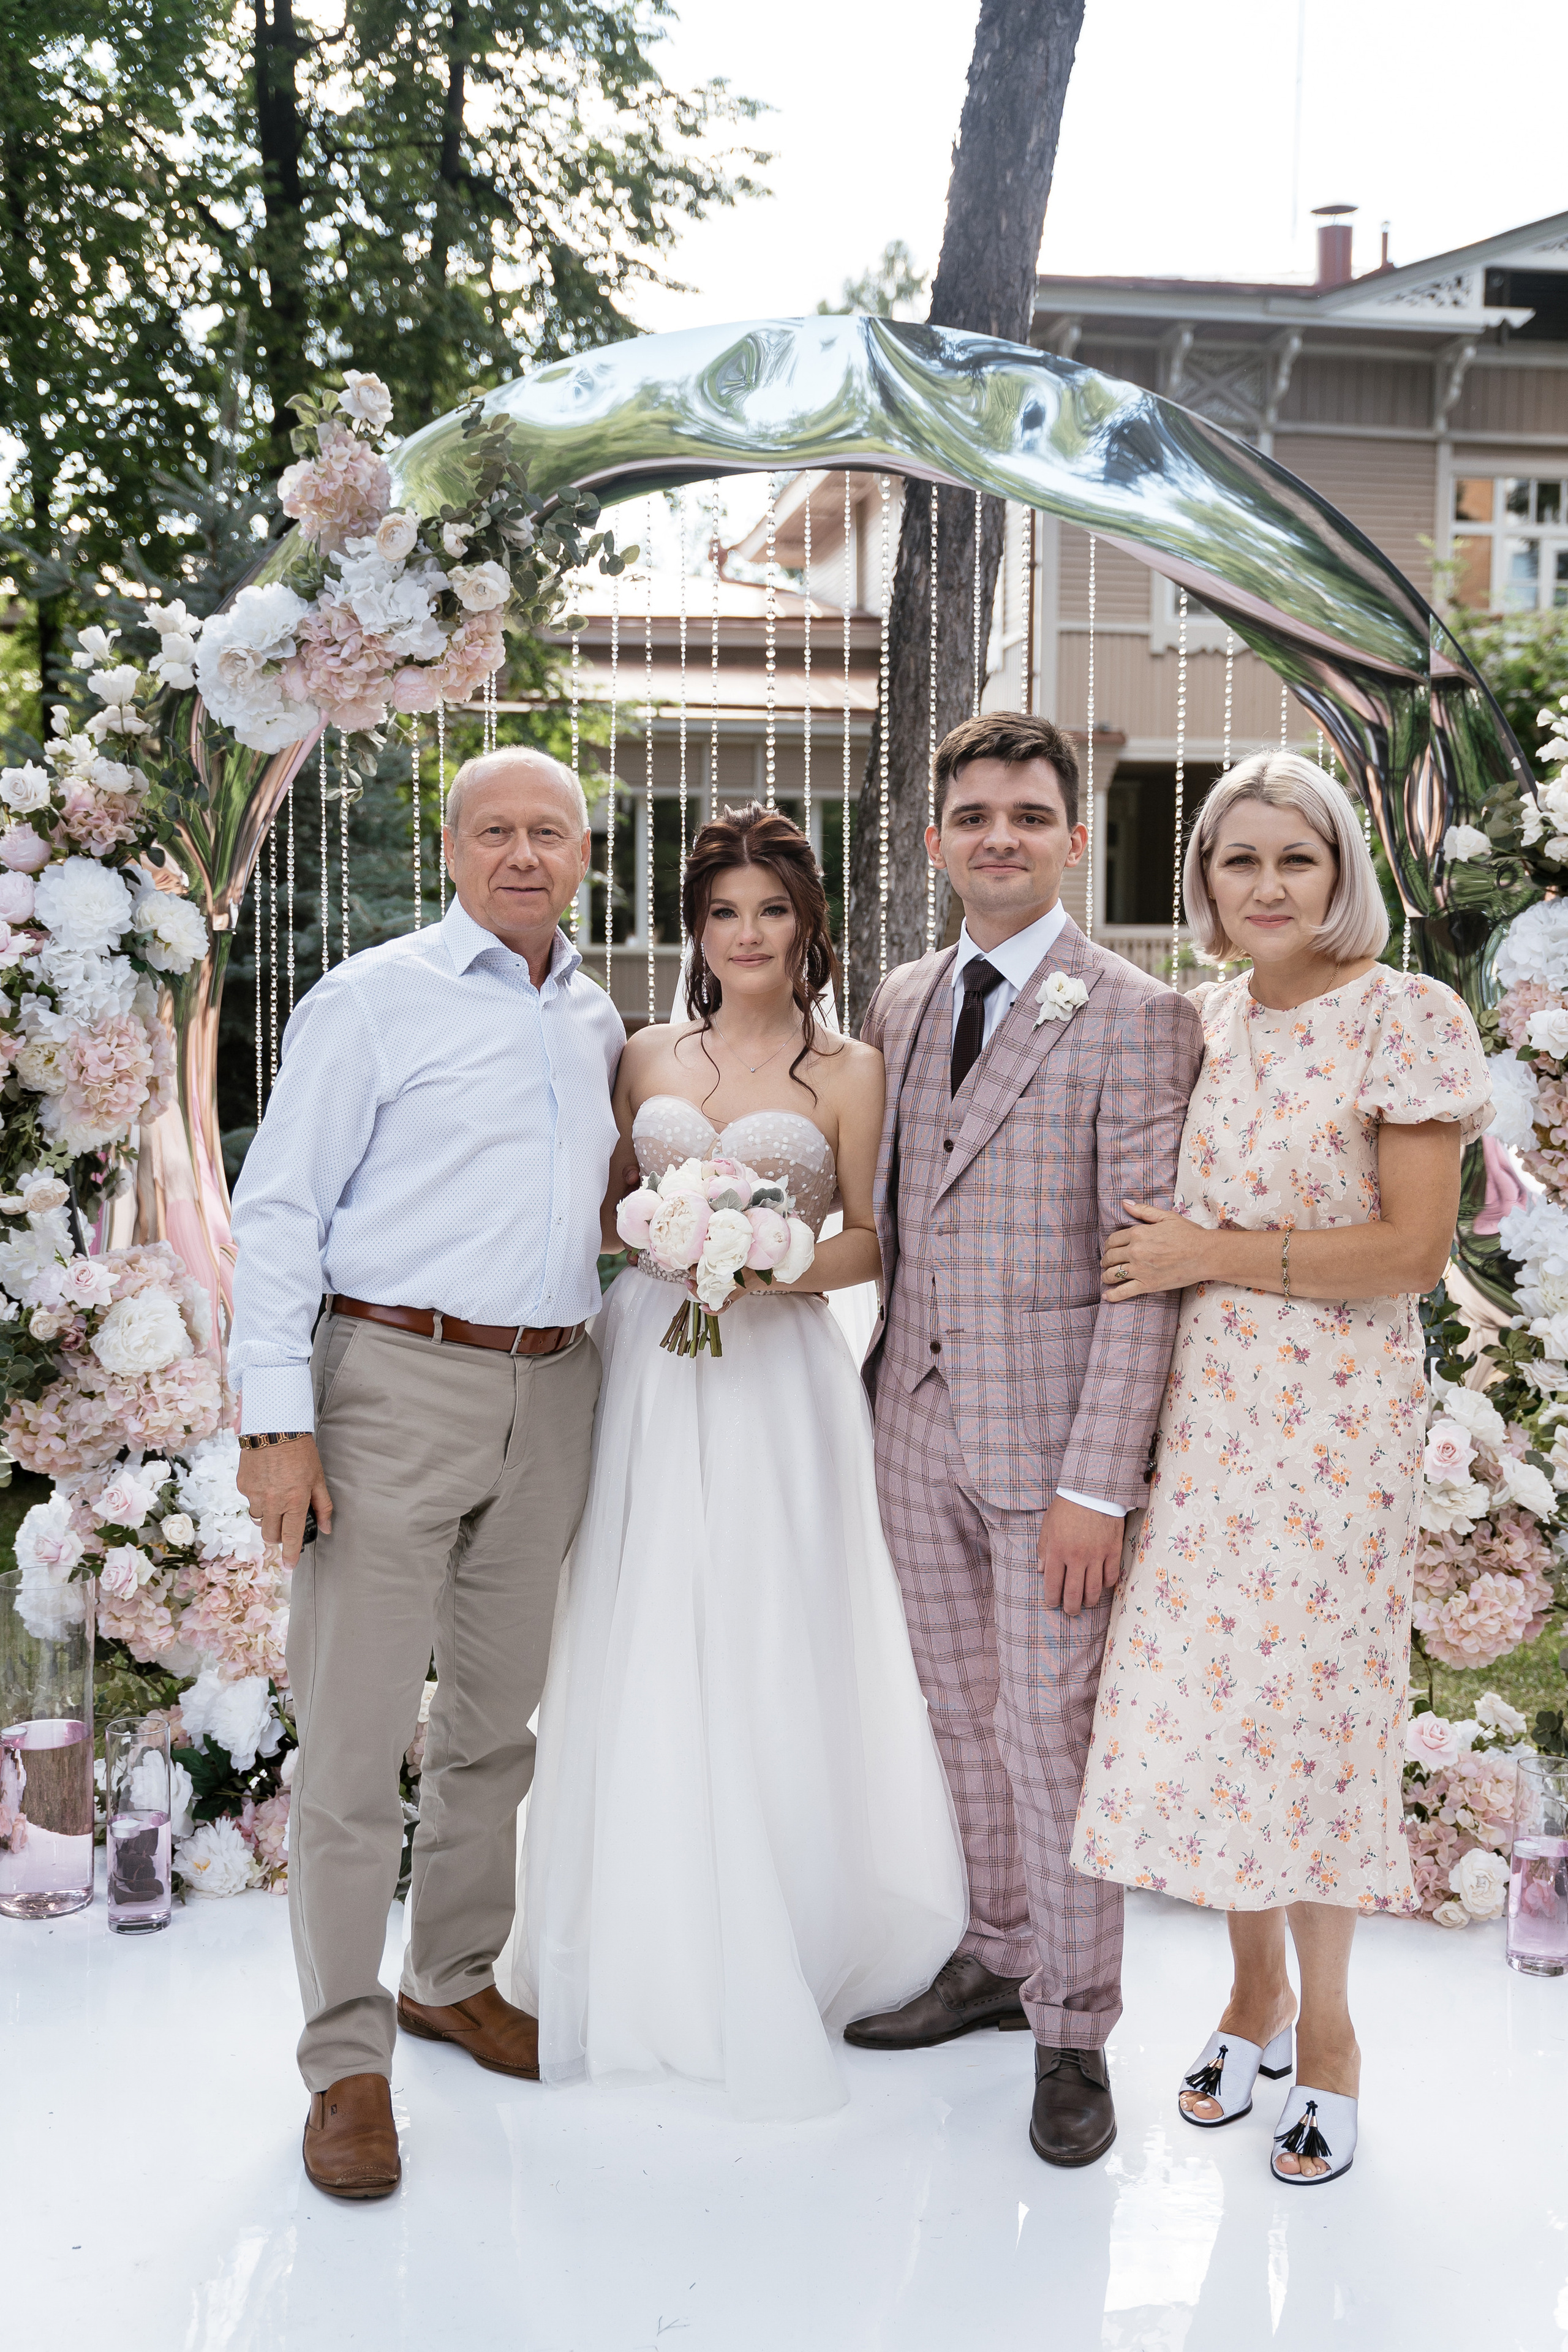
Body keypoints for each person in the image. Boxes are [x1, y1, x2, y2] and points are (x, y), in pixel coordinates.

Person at [508, 802, 967, 2120]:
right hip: (649, 1362)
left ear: (806, 924)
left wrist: (765, 1262)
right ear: (695, 927)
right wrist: (667, 1241)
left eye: (771, 910)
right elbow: (605, 1205)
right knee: (642, 1618)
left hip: (778, 1378)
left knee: (771, 1630)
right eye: (724, 912)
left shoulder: (847, 1070)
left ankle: (797, 1921)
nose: (748, 934)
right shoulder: (644, 1048)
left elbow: (873, 1238)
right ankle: (637, 1930)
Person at [1071, 751, 1491, 2187]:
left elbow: (1411, 1254)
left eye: (1291, 861)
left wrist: (1210, 1255)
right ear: (1200, 882)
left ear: (1338, 877)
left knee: (1308, 1715)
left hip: (1329, 1426)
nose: (1263, 887)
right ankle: (1245, 1994)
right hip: (1197, 1421)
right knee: (1208, 1716)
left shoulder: (1405, 1018)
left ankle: (1328, 2037)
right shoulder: (1197, 1021)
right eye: (1234, 861)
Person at [229, 748, 622, 2201]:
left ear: (586, 853)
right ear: (450, 850)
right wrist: (279, 1420)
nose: (524, 854)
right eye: (495, 832)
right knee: (349, 1744)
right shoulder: (371, 996)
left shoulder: (591, 1016)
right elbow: (279, 1212)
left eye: (551, 832)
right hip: (391, 1384)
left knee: (493, 1727)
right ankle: (343, 2064)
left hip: (554, 1388)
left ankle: (451, 1974)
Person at [844, 710, 1205, 2169]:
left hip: (1051, 1449)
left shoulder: (1135, 1012)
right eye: (973, 814)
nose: (998, 835)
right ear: (935, 844)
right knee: (953, 1720)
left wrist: (1093, 1485)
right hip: (907, 1429)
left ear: (1070, 836)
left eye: (1027, 814)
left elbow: (1144, 1273)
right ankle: (994, 1957)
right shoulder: (900, 997)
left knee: (1050, 1737)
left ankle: (1074, 2029)